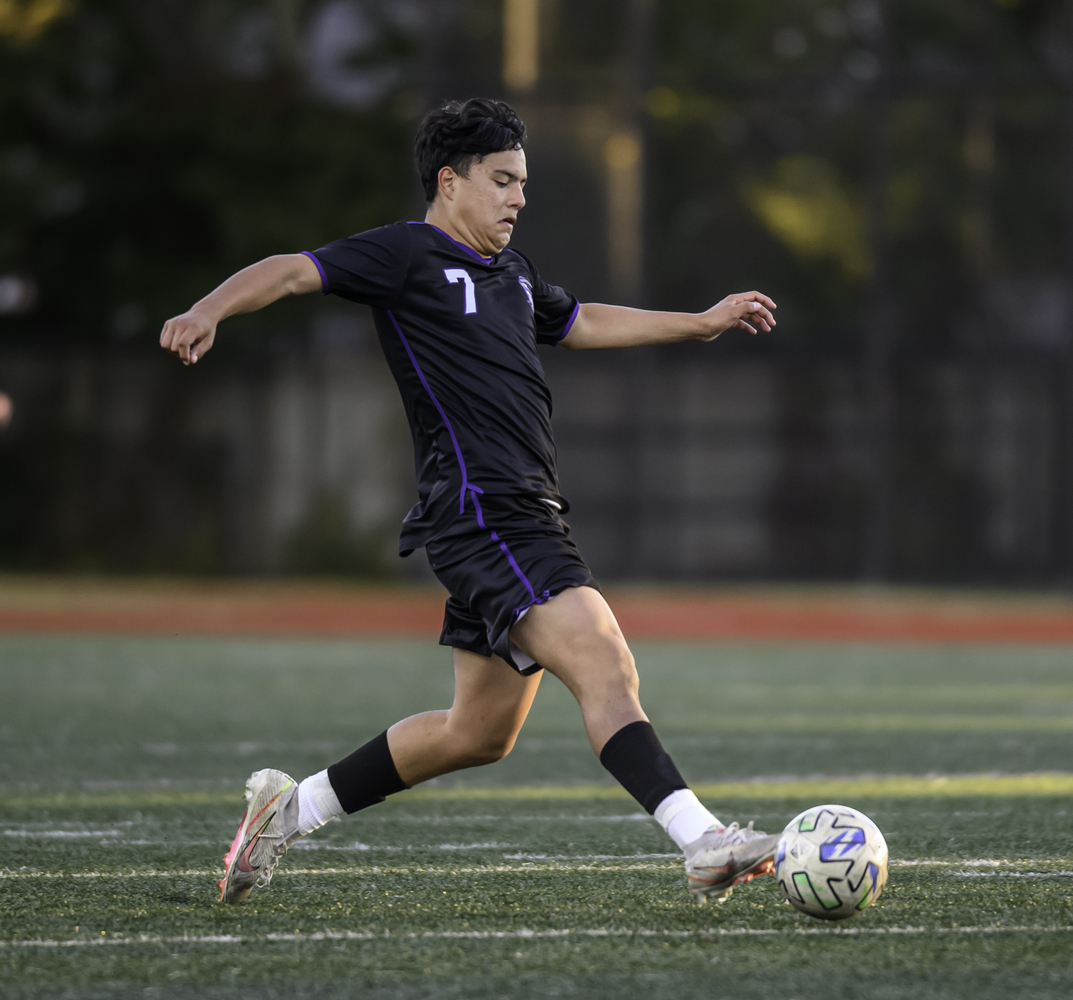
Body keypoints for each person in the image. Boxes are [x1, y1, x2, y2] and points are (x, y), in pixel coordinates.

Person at [158, 98, 780, 906]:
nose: (518, 198)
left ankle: (289, 810)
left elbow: (581, 320)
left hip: (523, 511)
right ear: (450, 183)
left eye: (523, 183)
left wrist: (699, 324)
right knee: (603, 660)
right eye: (502, 181)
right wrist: (208, 308)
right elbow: (288, 269)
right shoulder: (406, 255)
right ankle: (703, 840)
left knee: (478, 733)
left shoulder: (513, 274)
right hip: (484, 511)